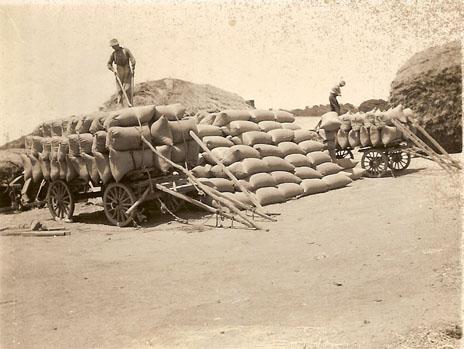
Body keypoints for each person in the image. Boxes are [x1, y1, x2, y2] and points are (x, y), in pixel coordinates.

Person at [107, 38, 136, 106]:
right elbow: (108, 64)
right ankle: (120, 106)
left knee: (127, 89)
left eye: (114, 46)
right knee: (119, 90)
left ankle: (130, 105)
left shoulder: (126, 50)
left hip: (127, 70)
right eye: (112, 46)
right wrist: (113, 70)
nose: (113, 47)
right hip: (119, 71)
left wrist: (133, 67)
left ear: (117, 45)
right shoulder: (113, 54)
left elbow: (133, 59)